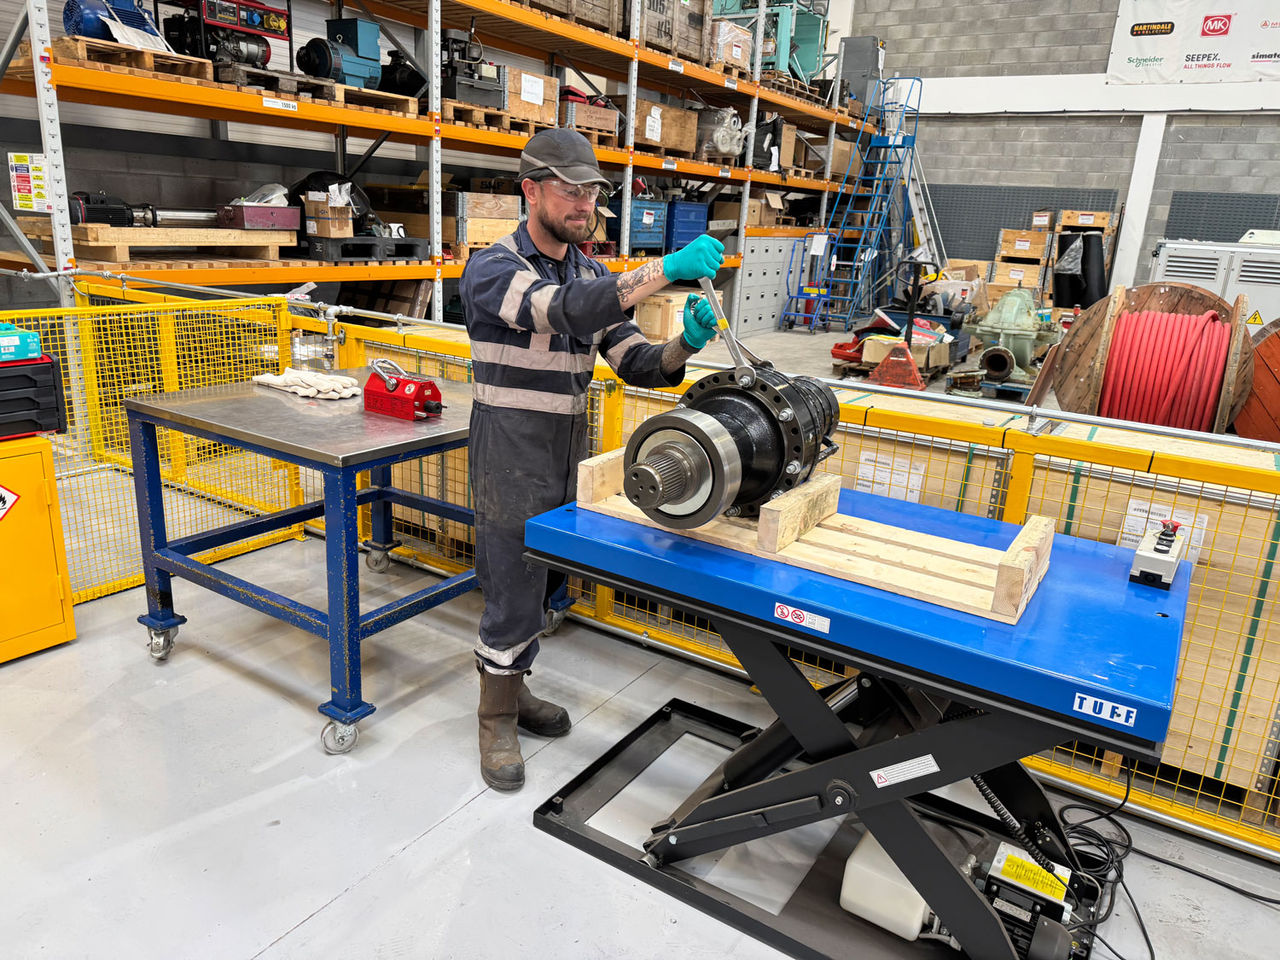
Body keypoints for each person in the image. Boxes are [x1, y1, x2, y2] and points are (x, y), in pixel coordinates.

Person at [458, 128, 724, 791]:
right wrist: (664, 268)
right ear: (530, 190)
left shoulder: (590, 274)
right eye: (570, 190)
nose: (585, 204)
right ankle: (495, 720)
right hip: (508, 448)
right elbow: (561, 312)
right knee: (511, 588)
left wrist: (685, 344)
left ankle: (516, 690)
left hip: (565, 448)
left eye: (593, 192)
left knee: (543, 582)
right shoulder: (493, 269)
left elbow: (635, 361)